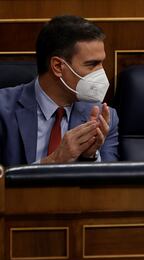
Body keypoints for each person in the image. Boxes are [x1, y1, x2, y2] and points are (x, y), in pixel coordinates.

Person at [0, 15, 119, 166]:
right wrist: (54, 161)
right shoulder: (3, 110)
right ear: (57, 66)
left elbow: (110, 186)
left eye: (101, 63)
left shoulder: (104, 119)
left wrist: (90, 157)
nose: (101, 72)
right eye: (92, 64)